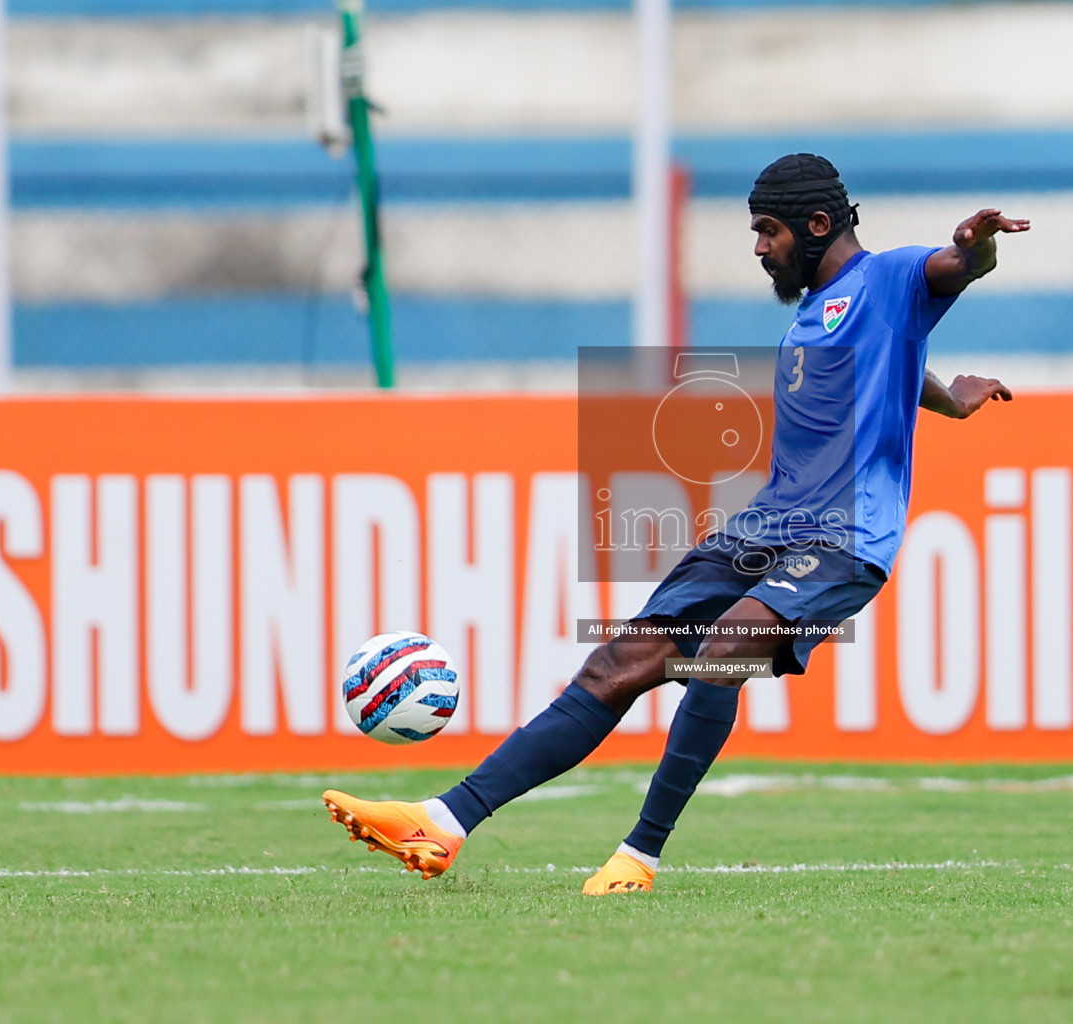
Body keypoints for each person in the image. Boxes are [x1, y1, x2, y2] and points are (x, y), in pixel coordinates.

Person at [322, 153, 1029, 893]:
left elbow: (955, 265)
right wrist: (950, 398)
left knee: (721, 651)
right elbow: (889, 363)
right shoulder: (822, 309)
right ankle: (443, 821)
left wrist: (977, 245)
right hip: (763, 527)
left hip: (844, 541)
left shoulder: (890, 277)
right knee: (616, 665)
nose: (759, 248)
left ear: (818, 225)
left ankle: (641, 856)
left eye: (768, 232)